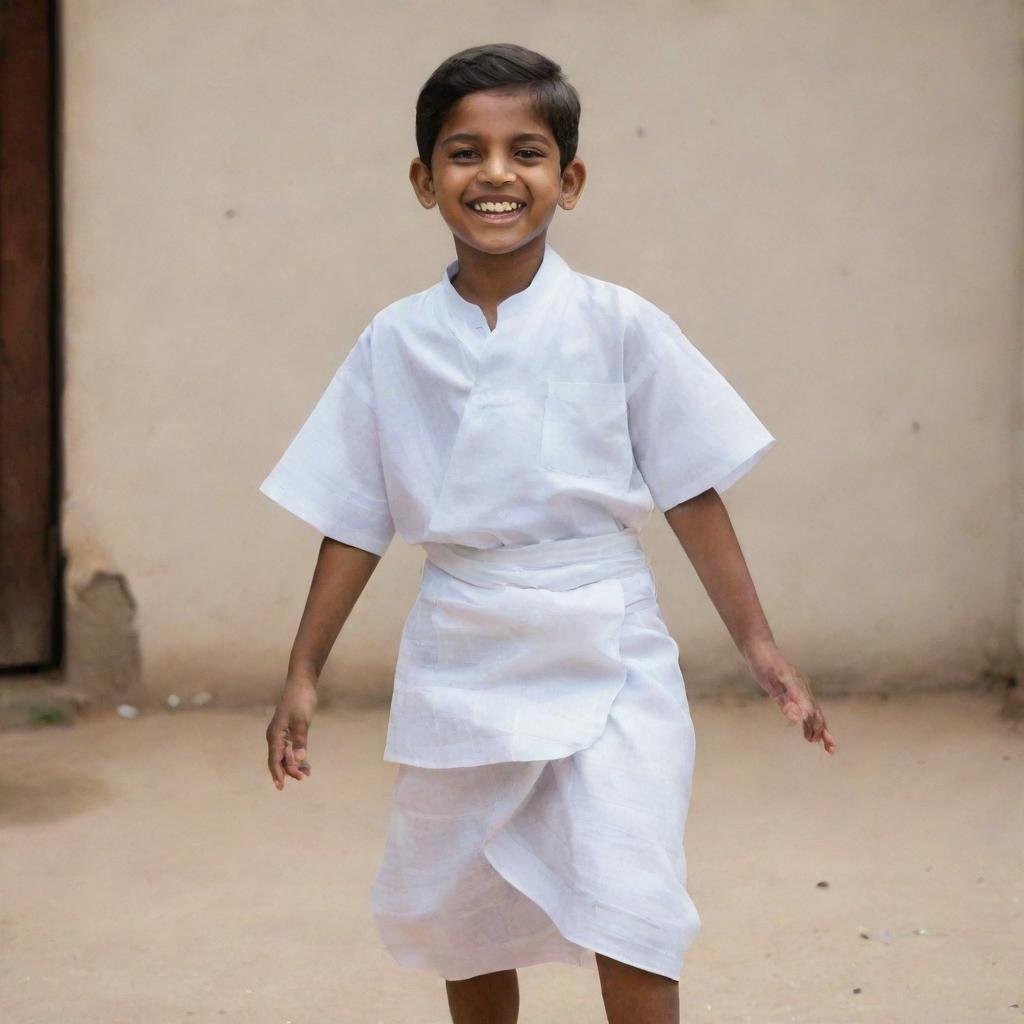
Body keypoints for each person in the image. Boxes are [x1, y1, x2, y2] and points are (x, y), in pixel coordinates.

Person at [261, 42, 837, 1024]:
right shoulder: (392, 343)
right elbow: (355, 515)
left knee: (631, 892)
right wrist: (303, 670)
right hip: (463, 649)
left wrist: (758, 642)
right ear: (422, 179)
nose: (494, 174)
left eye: (524, 151)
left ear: (567, 181)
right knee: (464, 904)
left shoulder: (621, 326)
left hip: (607, 645)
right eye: (463, 152)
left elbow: (691, 489)